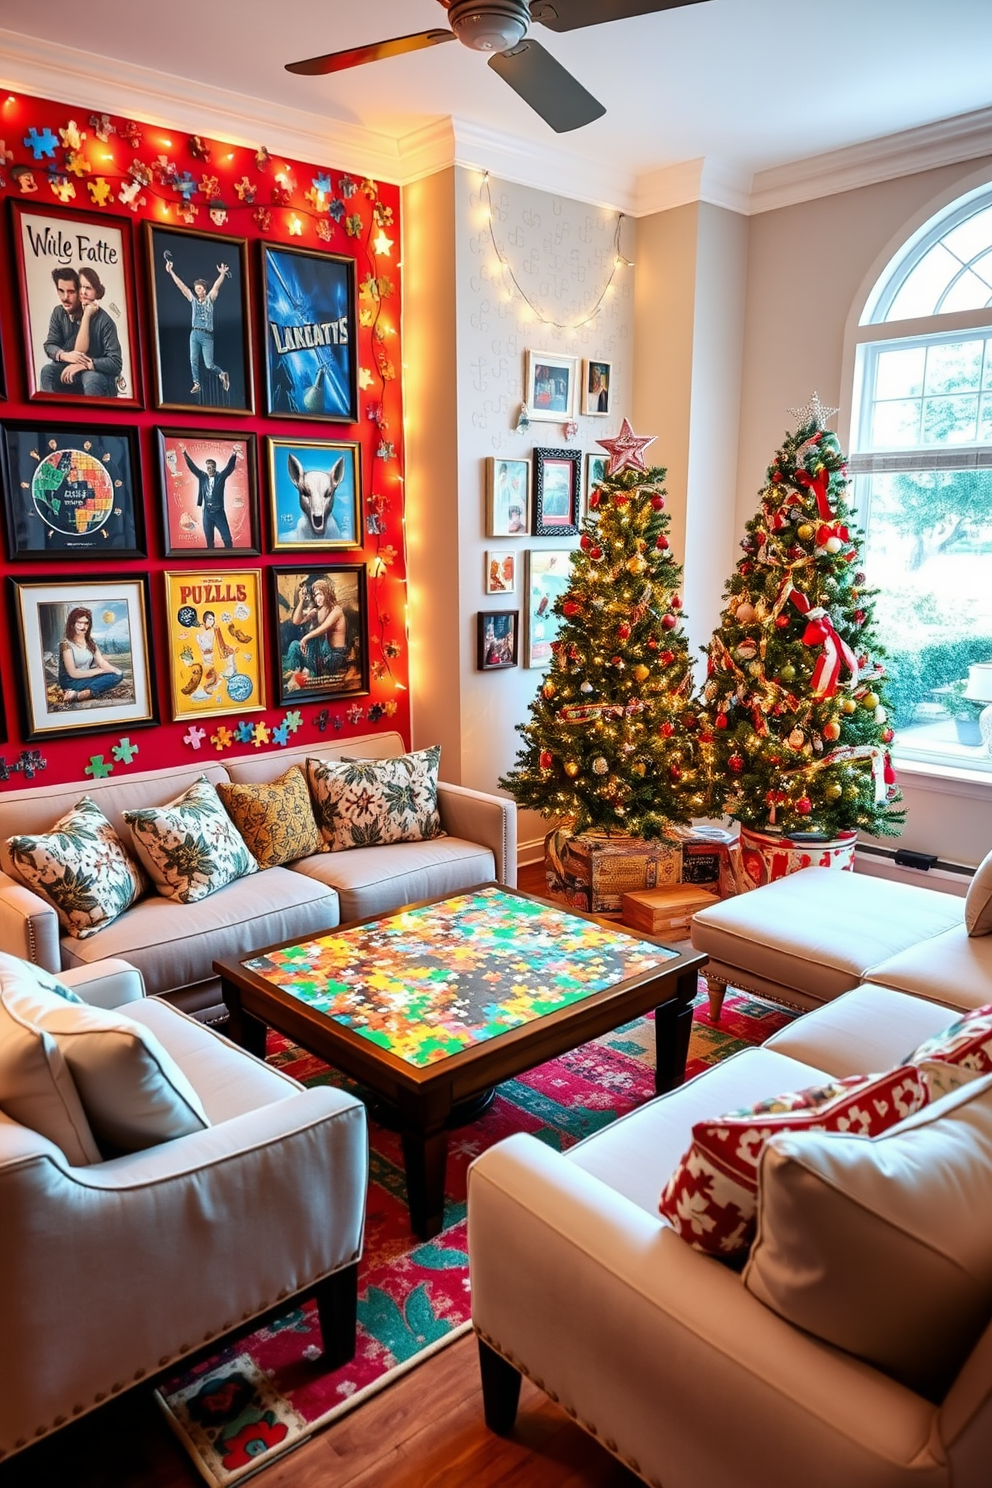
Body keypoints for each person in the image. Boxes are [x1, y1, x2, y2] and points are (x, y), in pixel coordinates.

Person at [40, 267, 122, 398]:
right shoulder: (59, 312)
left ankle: (94, 417)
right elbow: (50, 345)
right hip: (68, 369)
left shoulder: (105, 321)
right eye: (61, 291)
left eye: (71, 292)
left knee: (91, 379)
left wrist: (86, 364)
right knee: (47, 371)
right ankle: (49, 415)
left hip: (96, 374)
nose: (65, 297)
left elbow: (115, 363)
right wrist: (64, 355)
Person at [163, 253, 231, 395]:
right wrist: (171, 272)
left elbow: (217, 286)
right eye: (196, 289)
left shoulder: (210, 299)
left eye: (199, 288)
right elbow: (180, 286)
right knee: (193, 359)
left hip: (206, 335)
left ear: (204, 290)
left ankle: (222, 374)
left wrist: (222, 274)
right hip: (195, 333)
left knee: (209, 365)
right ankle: (196, 383)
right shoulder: (193, 300)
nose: (197, 290)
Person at [285, 577, 349, 680]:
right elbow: (297, 621)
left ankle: (308, 673)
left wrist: (305, 638)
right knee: (294, 646)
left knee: (317, 639)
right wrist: (301, 601)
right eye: (315, 595)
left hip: (335, 656)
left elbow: (323, 629)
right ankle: (295, 674)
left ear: (327, 593)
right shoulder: (317, 611)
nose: (316, 598)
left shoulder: (336, 610)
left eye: (319, 594)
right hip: (322, 655)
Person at [58, 607, 123, 704]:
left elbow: (101, 662)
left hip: (86, 677)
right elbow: (73, 673)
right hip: (71, 681)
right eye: (79, 623)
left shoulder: (90, 642)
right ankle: (79, 695)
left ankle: (82, 693)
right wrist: (99, 671)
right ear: (72, 624)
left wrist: (114, 670)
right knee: (105, 677)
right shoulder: (66, 644)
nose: (83, 627)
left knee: (117, 675)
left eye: (86, 623)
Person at [181, 444, 239, 549]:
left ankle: (230, 559)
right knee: (209, 540)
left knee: (227, 538)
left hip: (219, 512)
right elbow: (193, 468)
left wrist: (234, 454)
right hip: (207, 513)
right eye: (208, 468)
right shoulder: (203, 477)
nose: (210, 470)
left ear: (215, 468)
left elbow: (229, 468)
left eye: (212, 467)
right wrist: (184, 453)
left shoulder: (220, 477)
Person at [190, 611, 234, 699]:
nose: (212, 621)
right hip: (205, 657)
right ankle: (208, 688)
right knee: (210, 673)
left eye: (213, 619)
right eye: (210, 619)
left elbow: (221, 643)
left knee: (219, 673)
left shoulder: (215, 630)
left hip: (214, 656)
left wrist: (225, 649)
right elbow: (199, 646)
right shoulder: (198, 630)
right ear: (205, 619)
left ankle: (210, 687)